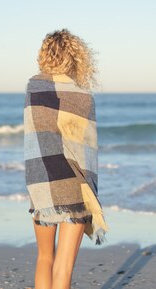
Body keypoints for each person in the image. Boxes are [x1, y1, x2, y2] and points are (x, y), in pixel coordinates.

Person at [24, 28, 108, 289]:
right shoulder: (84, 96)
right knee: (64, 267)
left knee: (44, 259)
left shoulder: (34, 87)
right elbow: (88, 150)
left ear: (45, 55)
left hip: (43, 183)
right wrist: (92, 192)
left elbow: (35, 138)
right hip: (74, 185)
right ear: (76, 58)